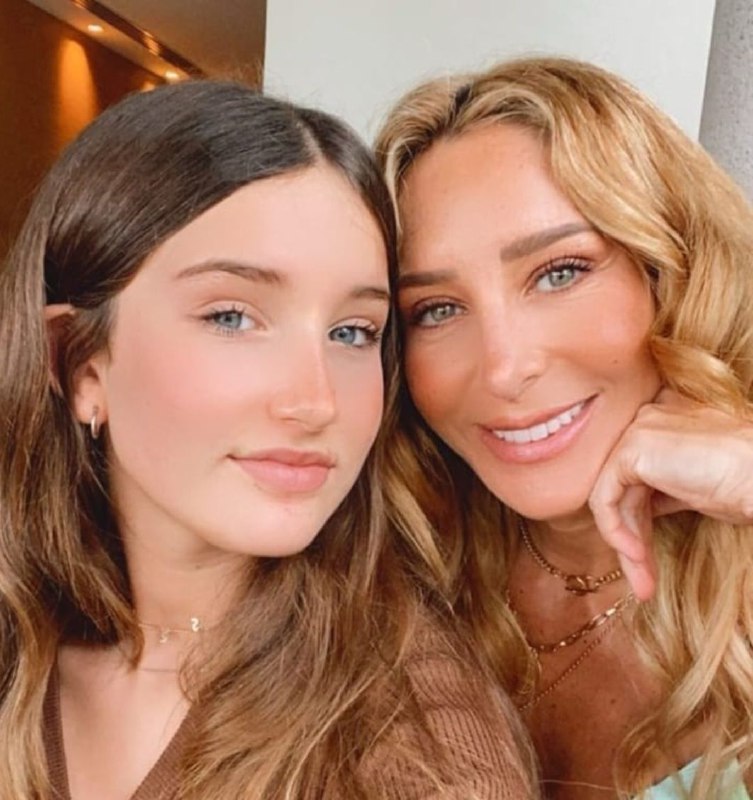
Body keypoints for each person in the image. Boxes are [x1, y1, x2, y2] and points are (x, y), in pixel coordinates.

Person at [0, 80, 537, 799]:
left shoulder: (415, 742)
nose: (315, 402)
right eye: (232, 317)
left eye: (354, 332)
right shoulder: (21, 657)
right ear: (80, 365)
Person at [375, 56, 753, 799]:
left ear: (673, 270)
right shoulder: (399, 567)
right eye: (436, 310)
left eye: (559, 272)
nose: (504, 368)